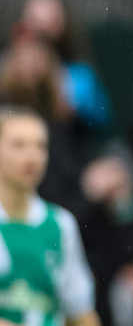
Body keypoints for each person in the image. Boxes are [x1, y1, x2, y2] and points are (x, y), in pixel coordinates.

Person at [0, 106, 100, 326]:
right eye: (18, 145)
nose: (32, 156)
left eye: (40, 146)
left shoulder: (61, 223)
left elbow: (81, 313)